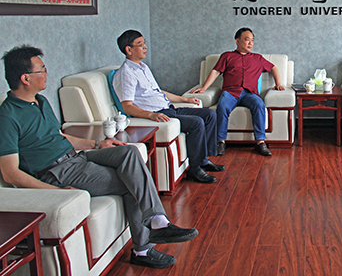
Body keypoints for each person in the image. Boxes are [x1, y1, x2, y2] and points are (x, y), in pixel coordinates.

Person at [0, 45, 197, 269]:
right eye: (42, 70)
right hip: (57, 172)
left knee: (129, 152)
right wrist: (55, 191)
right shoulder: (7, 117)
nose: (47, 74)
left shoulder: (41, 102)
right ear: (25, 78)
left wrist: (97, 144)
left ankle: (156, 220)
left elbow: (61, 136)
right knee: (132, 181)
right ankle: (143, 249)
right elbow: (11, 173)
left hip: (75, 158)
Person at [112, 30, 224, 184]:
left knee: (209, 114)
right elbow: (127, 107)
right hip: (157, 114)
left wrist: (185, 99)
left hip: (168, 108)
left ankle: (203, 159)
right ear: (128, 50)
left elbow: (159, 92)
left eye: (144, 43)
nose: (145, 47)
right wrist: (151, 115)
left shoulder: (143, 67)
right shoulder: (125, 74)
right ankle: (194, 169)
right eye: (140, 44)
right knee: (196, 123)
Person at [191, 27, 285, 156]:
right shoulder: (227, 56)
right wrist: (204, 88)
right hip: (230, 92)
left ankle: (260, 142)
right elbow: (216, 71)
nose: (250, 43)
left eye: (252, 40)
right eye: (247, 39)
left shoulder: (258, 58)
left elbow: (273, 68)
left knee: (259, 105)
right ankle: (220, 142)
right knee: (222, 106)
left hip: (250, 94)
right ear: (237, 41)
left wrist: (278, 84)